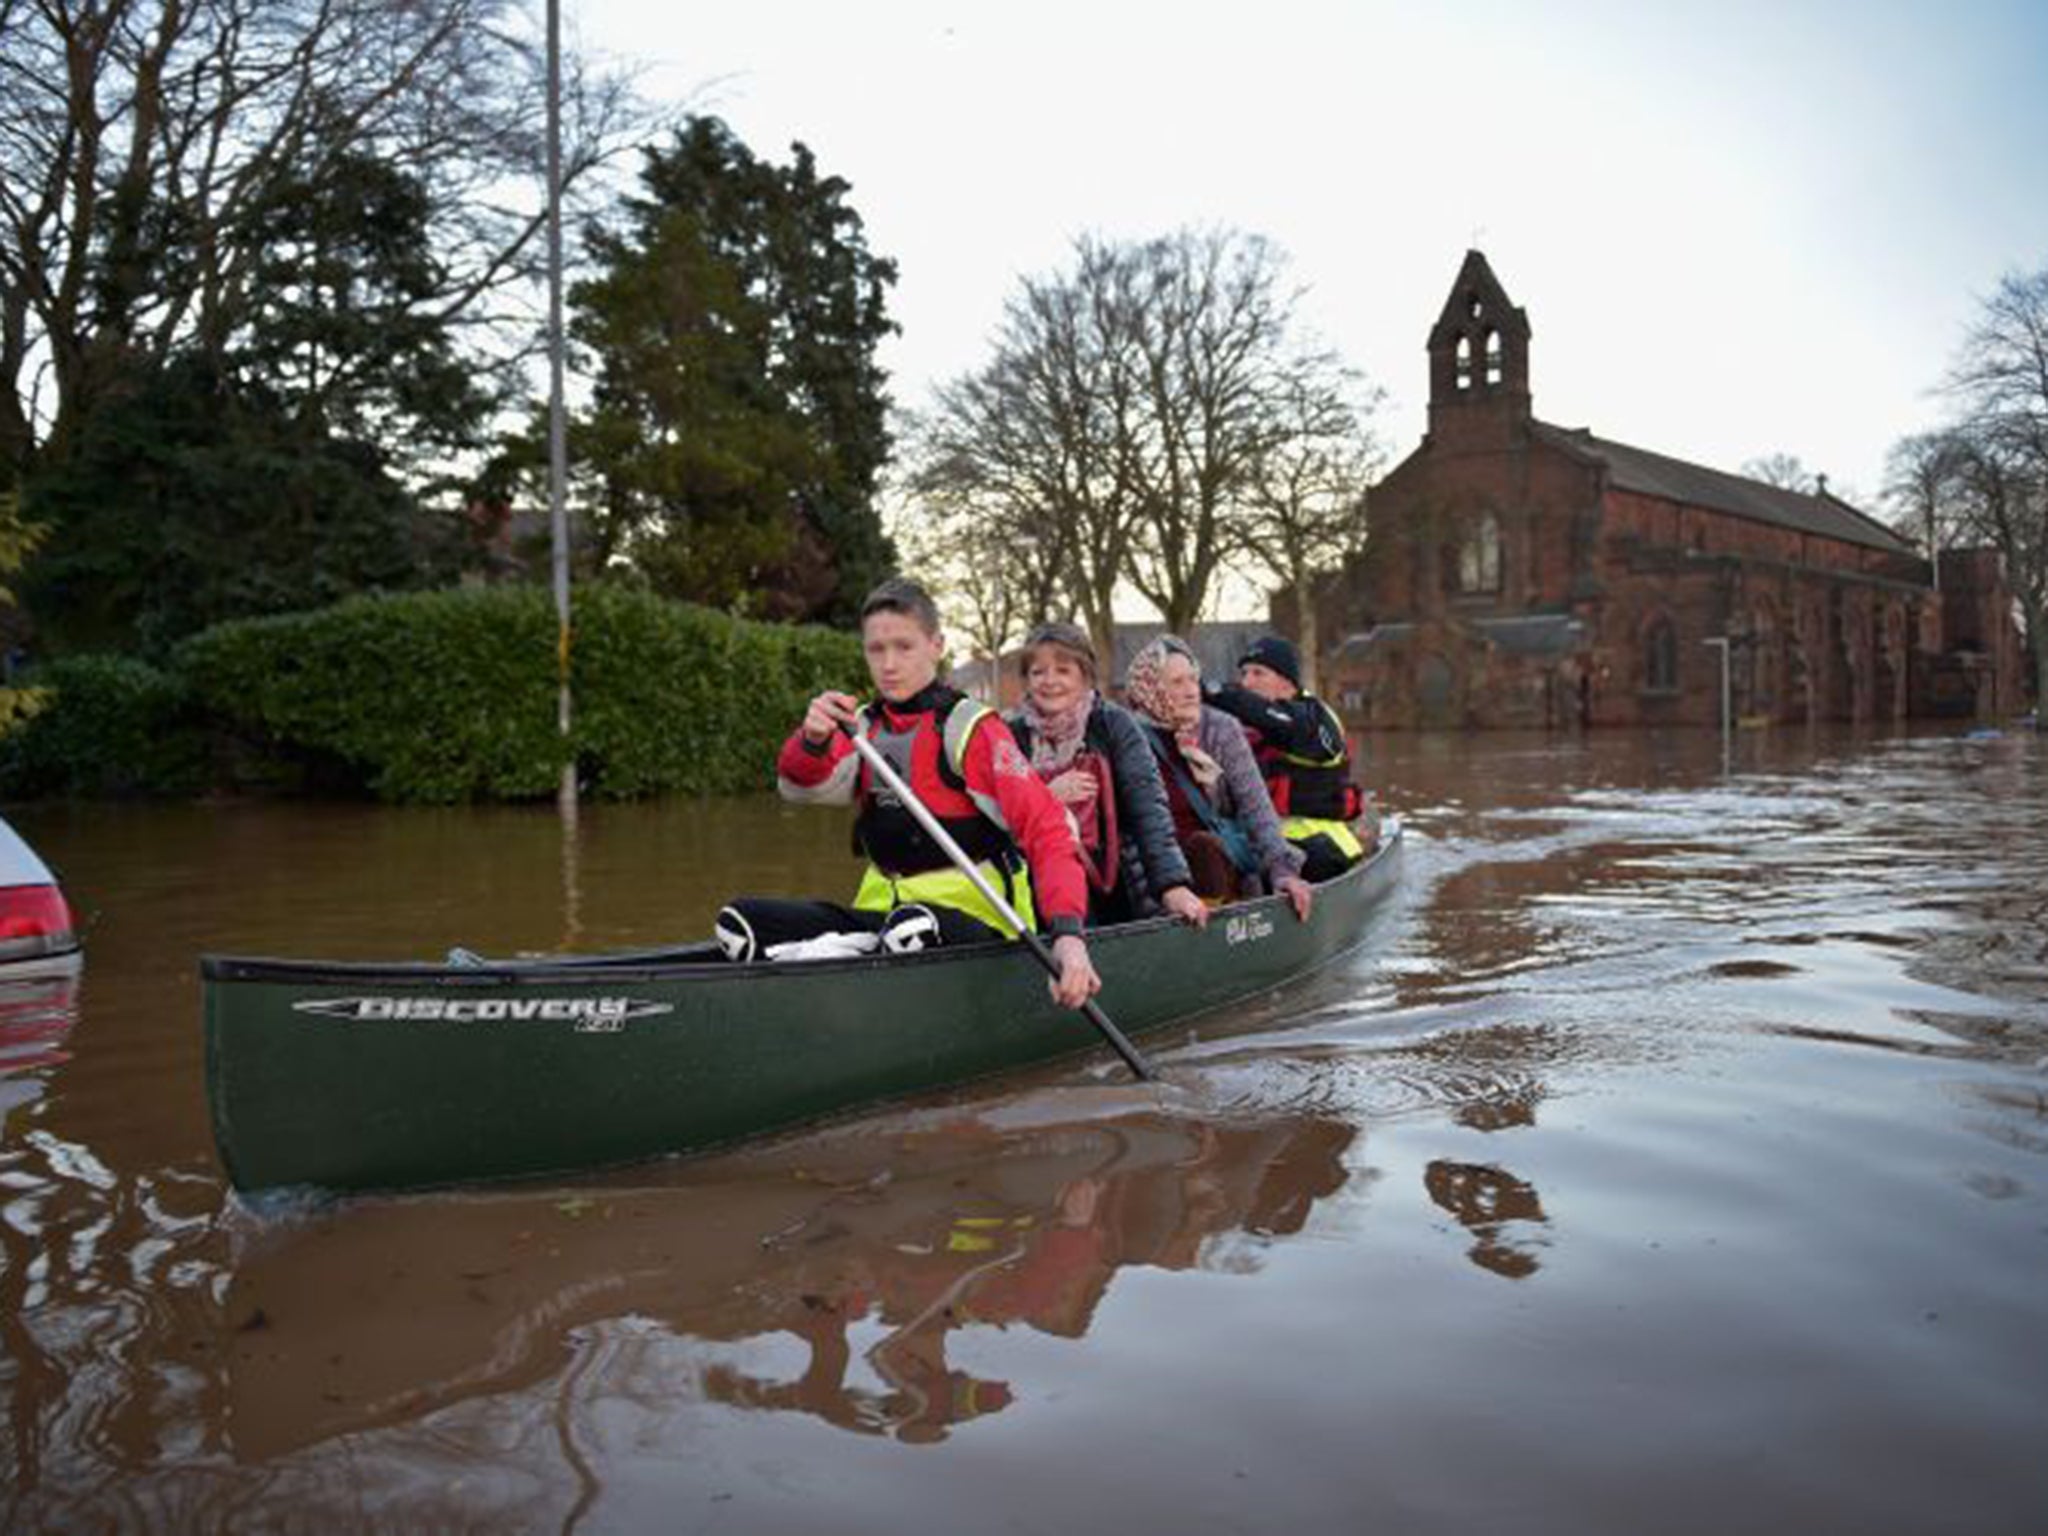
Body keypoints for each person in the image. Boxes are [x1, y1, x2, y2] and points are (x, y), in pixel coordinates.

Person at [716, 577, 1101, 1010]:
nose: (889, 664)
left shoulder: (972, 729)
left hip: (984, 922)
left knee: (909, 928)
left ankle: (857, 962)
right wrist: (813, 738)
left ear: (935, 646)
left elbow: (1047, 829)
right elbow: (800, 787)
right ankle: (852, 955)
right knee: (739, 923)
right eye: (876, 650)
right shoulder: (862, 726)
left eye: (904, 647)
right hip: (885, 916)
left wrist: (1069, 938)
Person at [1003, 621, 1208, 929]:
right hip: (1038, 885)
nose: (1050, 681)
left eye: (1063, 670)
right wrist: (1047, 797)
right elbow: (998, 817)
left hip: (1115, 886)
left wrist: (1172, 885)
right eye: (1038, 672)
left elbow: (1148, 807)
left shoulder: (1114, 725)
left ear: (1085, 676)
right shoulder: (1010, 735)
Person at [1121, 635, 1312, 922]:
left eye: (1192, 680)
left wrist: (1283, 872)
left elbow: (1256, 806)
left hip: (1220, 870)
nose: (1191, 691)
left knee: (1204, 847)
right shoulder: (1126, 736)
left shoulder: (1221, 729)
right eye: (1176, 683)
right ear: (1150, 690)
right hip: (1153, 880)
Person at [1203, 634, 1372, 882]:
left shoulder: (1314, 718)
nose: (1247, 682)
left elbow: (1271, 718)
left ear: (1286, 682)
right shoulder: (1243, 728)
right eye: (1244, 673)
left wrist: (1205, 690)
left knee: (1304, 859)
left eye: (1258, 673)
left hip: (1320, 846)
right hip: (1259, 841)